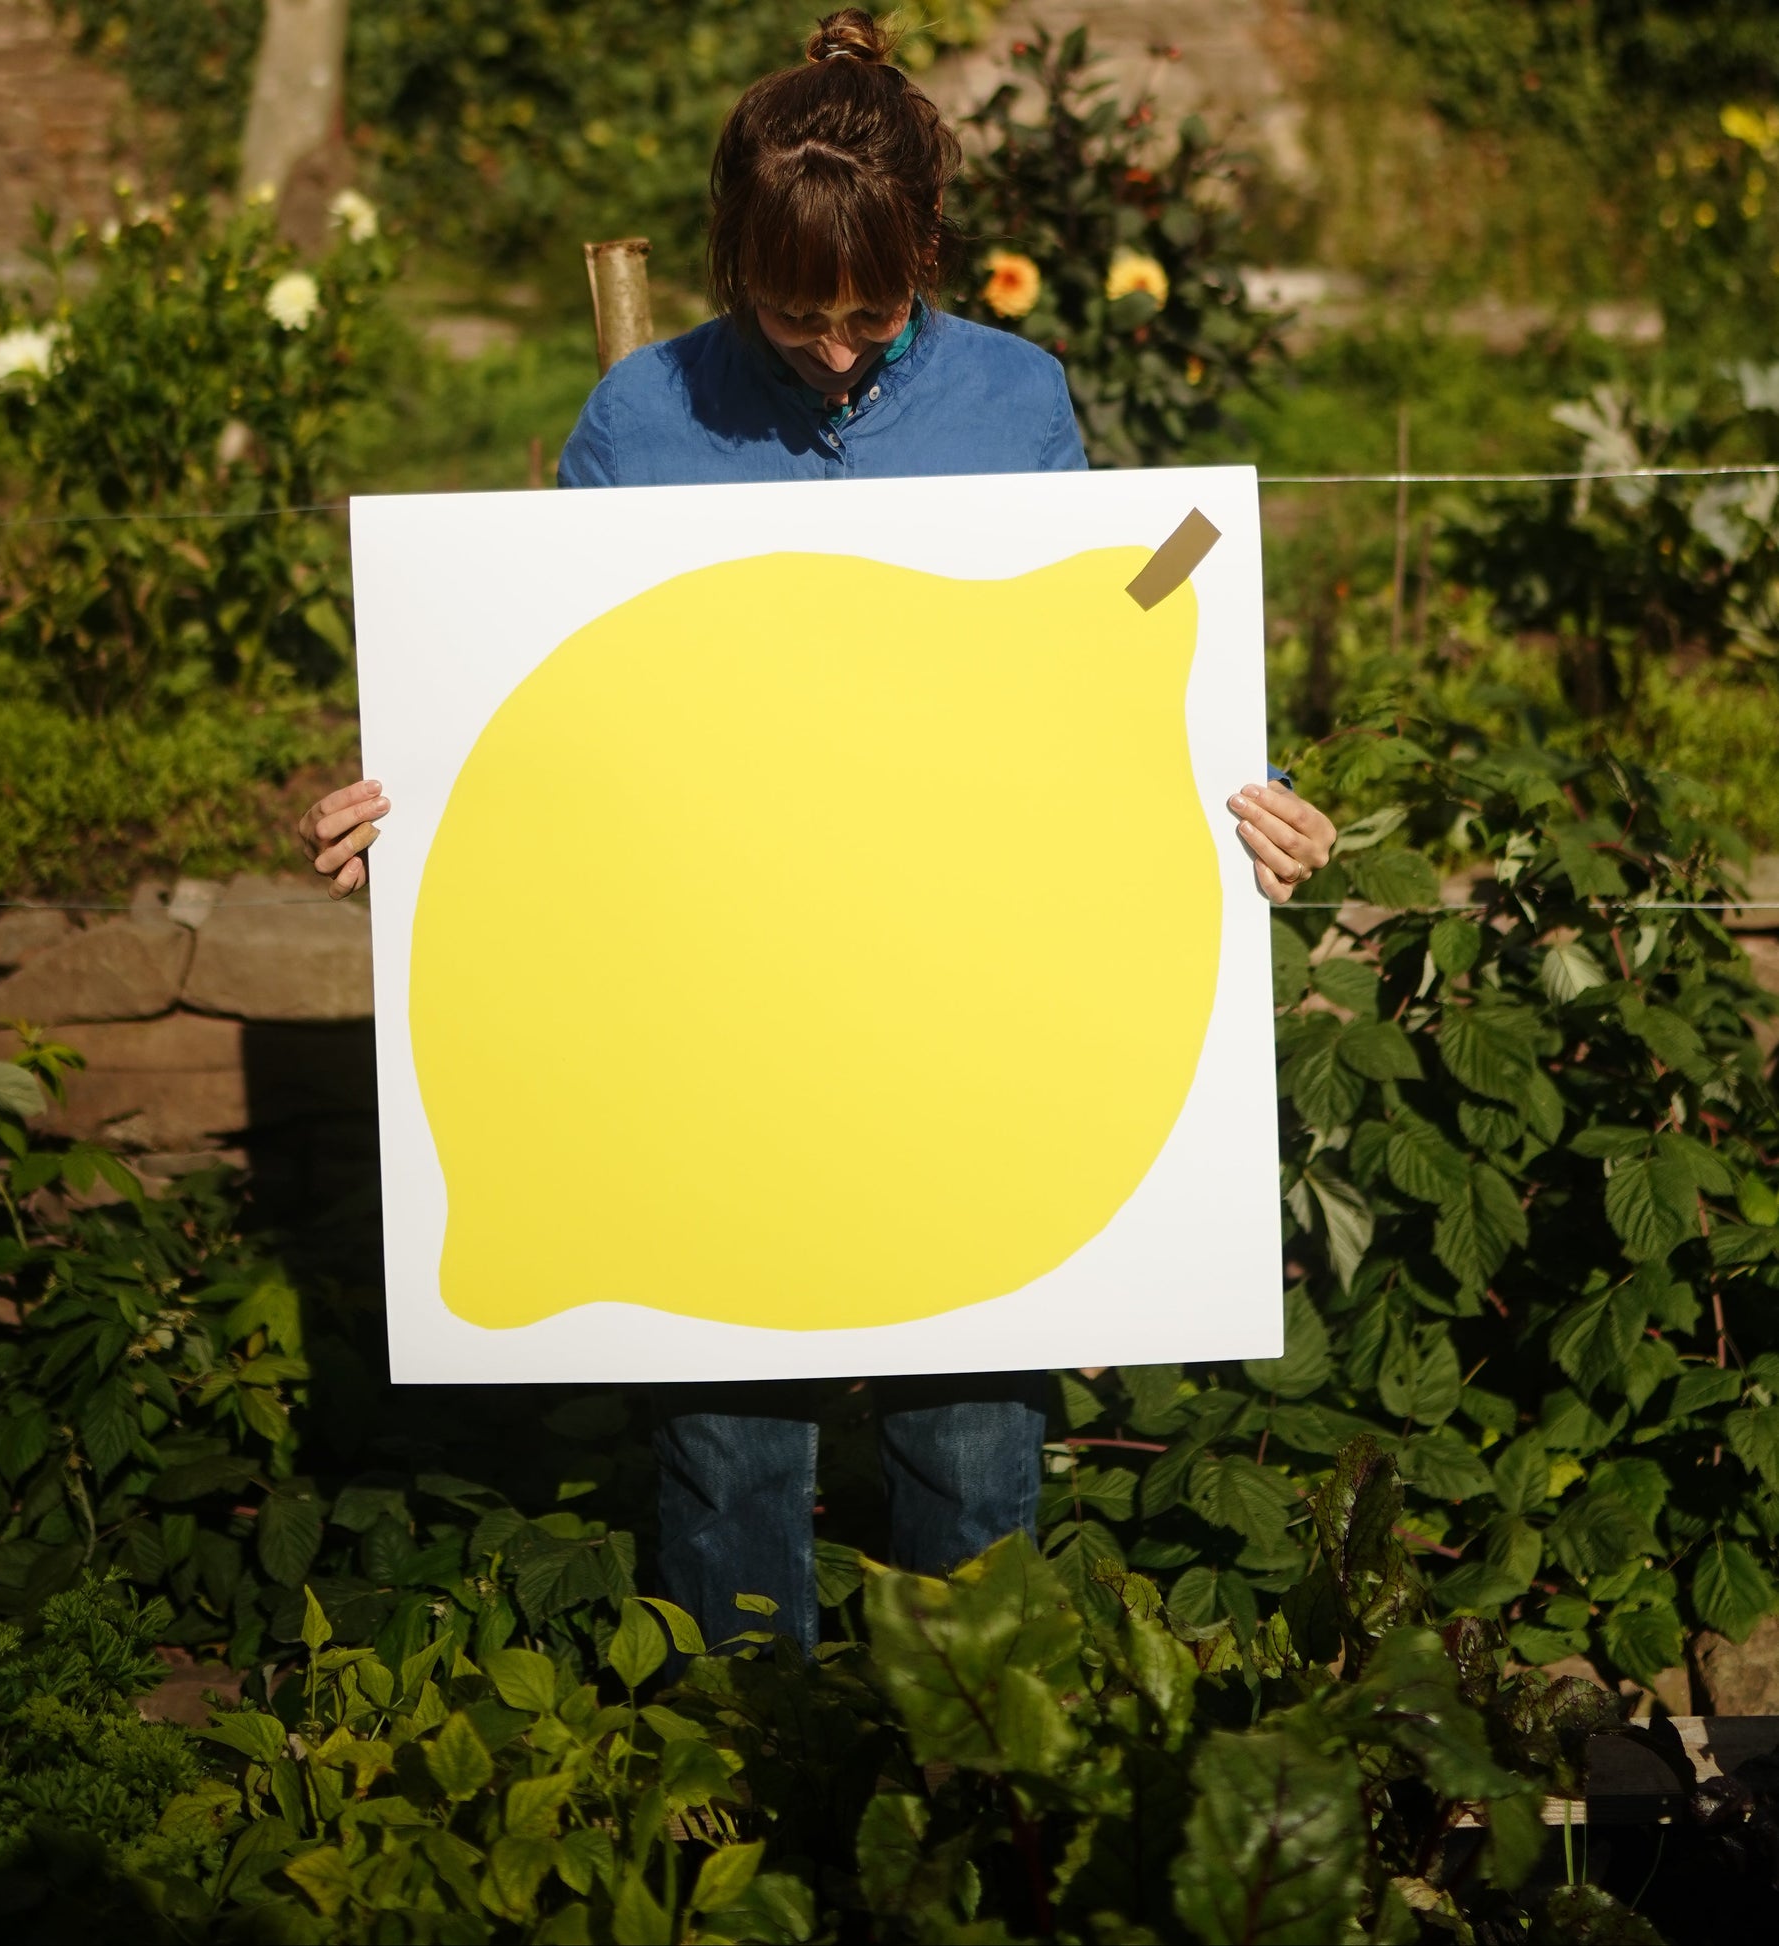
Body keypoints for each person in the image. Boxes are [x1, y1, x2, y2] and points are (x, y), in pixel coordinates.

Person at [298, 8, 1337, 1655]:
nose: (840, 351)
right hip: (713, 1004)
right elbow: (554, 705)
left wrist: (1249, 794)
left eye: (874, 312)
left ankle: (973, 1777)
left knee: (974, 1427)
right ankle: (742, 1784)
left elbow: (1105, 651)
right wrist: (399, 811)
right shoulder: (639, 422)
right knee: (721, 1435)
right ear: (728, 262)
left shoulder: (1019, 398)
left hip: (948, 996)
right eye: (796, 315)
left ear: (931, 249)